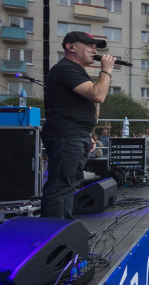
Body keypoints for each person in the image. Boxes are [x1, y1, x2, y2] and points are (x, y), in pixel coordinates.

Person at [41, 32, 115, 219]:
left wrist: (86, 133)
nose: (94, 50)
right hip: (66, 133)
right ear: (71, 47)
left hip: (75, 132)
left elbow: (75, 106)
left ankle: (64, 227)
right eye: (89, 45)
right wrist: (106, 70)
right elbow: (98, 95)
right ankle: (52, 234)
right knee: (60, 185)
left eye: (96, 47)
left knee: (72, 183)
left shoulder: (76, 70)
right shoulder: (66, 69)